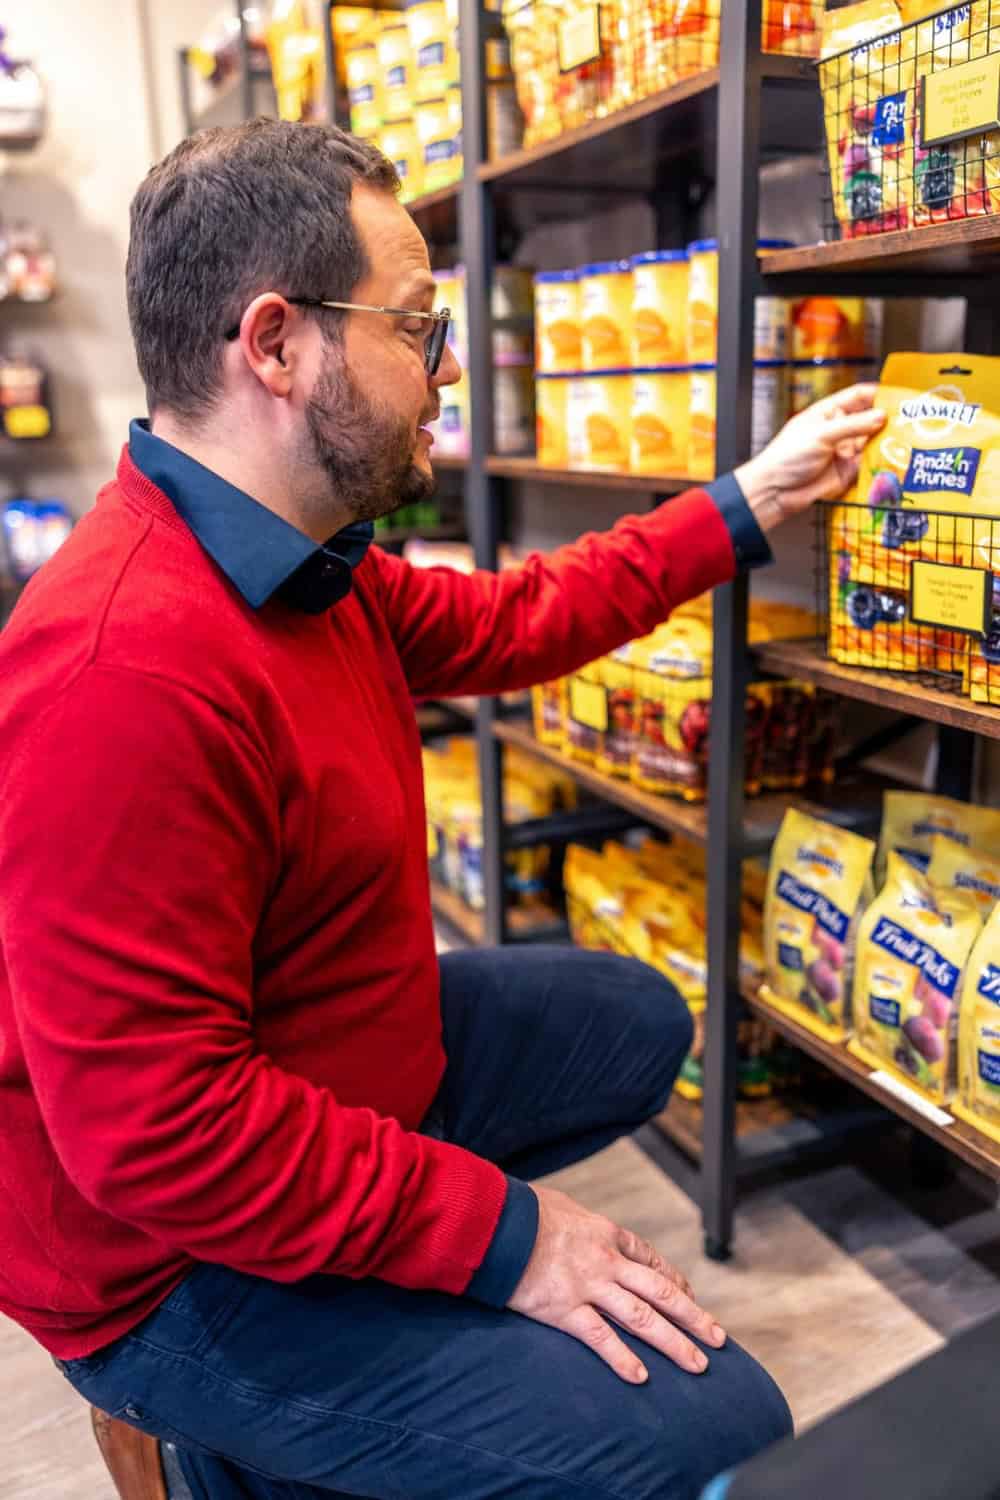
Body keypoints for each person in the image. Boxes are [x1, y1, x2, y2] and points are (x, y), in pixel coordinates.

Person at [0, 119, 885, 1500]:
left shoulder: (304, 568)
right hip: (162, 1259)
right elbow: (156, 1129)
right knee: (717, 1434)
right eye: (418, 325)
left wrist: (747, 502)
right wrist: (507, 1240)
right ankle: (220, 1444)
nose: (451, 366)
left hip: (313, 1077)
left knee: (635, 1023)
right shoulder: (122, 672)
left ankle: (363, 1323)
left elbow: (519, 614)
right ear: (277, 345)